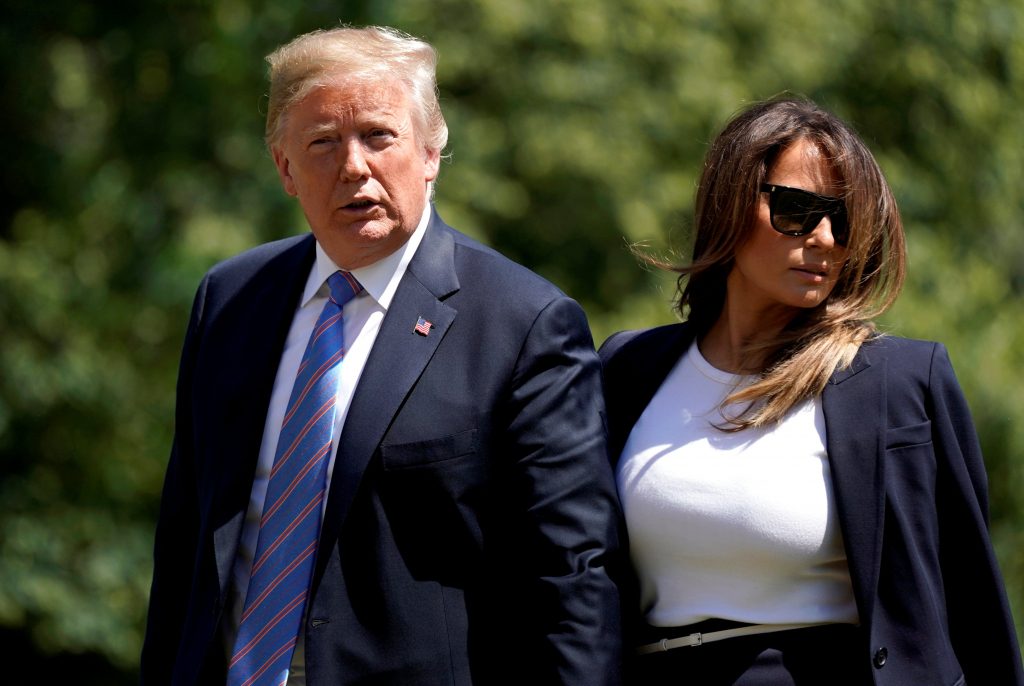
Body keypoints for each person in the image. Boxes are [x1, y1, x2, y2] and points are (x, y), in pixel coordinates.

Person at [141, 25, 623, 686]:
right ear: (285, 168)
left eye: (378, 136)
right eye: (322, 142)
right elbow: (183, 544)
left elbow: (573, 574)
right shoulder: (230, 300)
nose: (353, 166)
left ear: (430, 152)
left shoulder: (523, 323)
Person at [600, 97, 1024, 685]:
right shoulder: (627, 368)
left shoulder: (898, 382)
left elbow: (974, 607)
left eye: (844, 221)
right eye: (797, 210)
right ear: (729, 201)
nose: (825, 238)